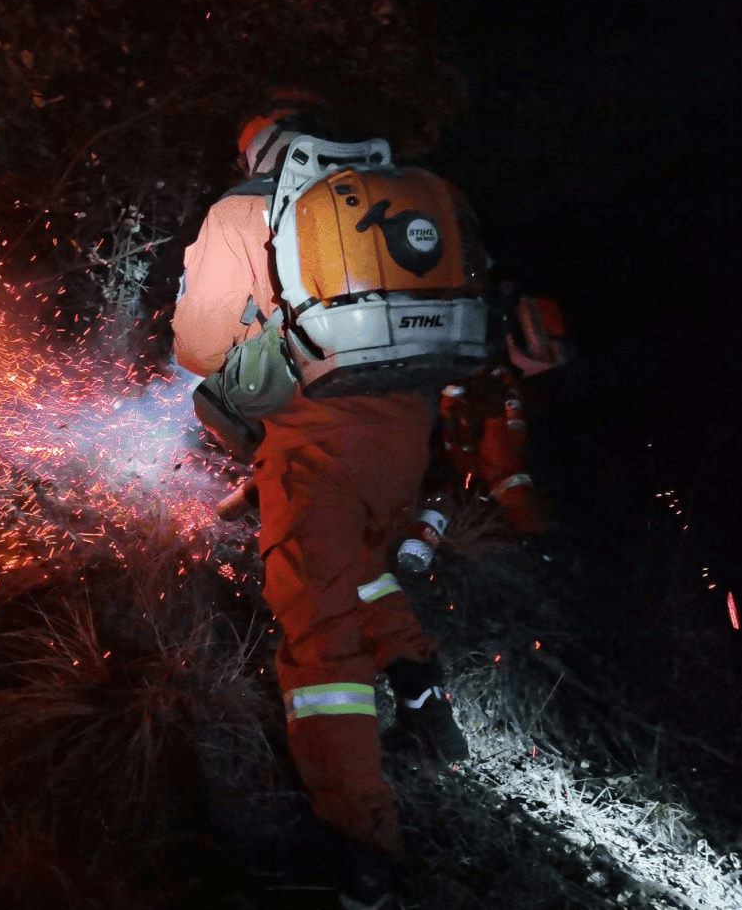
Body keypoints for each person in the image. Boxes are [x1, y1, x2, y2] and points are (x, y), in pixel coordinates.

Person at [171, 98, 473, 869]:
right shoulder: (403, 193)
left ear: (260, 151)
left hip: (314, 444)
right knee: (366, 567)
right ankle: (419, 691)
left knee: (320, 646)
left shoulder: (244, 209)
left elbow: (200, 347)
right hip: (405, 434)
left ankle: (362, 843)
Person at [437, 282, 571, 536]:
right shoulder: (498, 383)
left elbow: (503, 468)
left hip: (436, 478)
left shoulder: (501, 385)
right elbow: (503, 468)